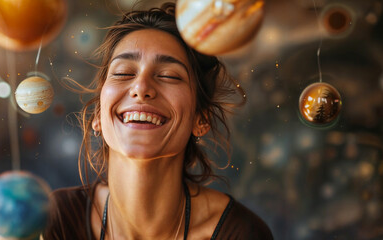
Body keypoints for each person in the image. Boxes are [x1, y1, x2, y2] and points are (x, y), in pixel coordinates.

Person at [43, 2, 273, 240]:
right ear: (98, 115)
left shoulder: (243, 233)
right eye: (123, 73)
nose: (141, 88)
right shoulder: (52, 217)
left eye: (168, 75)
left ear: (200, 119)